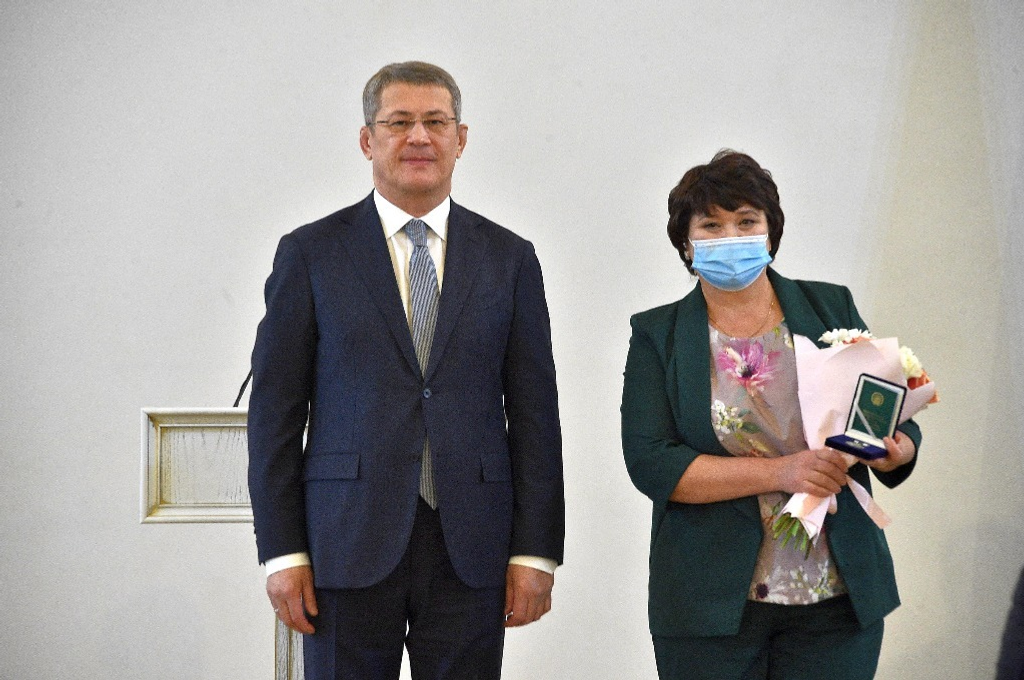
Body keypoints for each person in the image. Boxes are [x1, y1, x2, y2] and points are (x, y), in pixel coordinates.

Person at [247, 61, 564, 680]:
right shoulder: (311, 253)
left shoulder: (509, 258)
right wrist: (281, 551)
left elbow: (535, 416)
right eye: (399, 122)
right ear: (368, 140)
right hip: (345, 541)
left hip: (472, 543)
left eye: (435, 122)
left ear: (460, 139)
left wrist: (536, 551)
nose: (419, 137)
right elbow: (275, 416)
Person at [620, 150, 922, 680]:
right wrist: (782, 472)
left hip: (837, 594)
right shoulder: (657, 334)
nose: (730, 237)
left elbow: (884, 406)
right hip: (709, 603)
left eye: (746, 221)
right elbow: (652, 462)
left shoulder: (829, 307)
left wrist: (898, 449)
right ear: (687, 243)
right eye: (711, 225)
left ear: (770, 232)